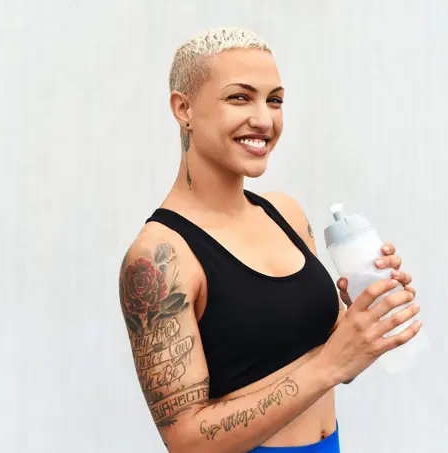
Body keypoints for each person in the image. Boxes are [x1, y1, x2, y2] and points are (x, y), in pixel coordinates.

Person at [118, 27, 422, 453]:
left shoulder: (287, 216)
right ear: (183, 108)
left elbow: (338, 361)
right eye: (239, 97)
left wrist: (365, 319)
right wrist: (331, 364)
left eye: (274, 100)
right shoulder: (160, 257)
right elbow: (187, 442)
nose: (264, 119)